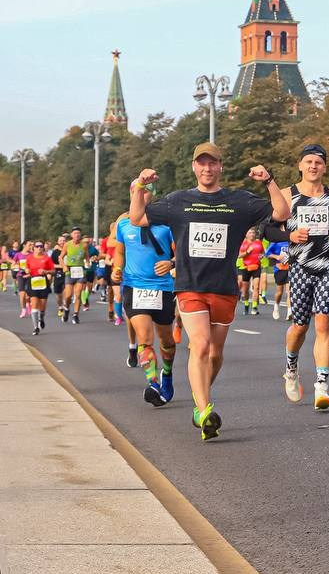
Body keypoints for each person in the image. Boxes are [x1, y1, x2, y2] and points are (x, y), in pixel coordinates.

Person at [128, 142, 290, 441]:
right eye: (201, 163)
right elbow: (137, 218)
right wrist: (139, 185)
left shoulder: (239, 201)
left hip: (224, 288)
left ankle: (200, 398)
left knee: (215, 354)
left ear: (220, 167)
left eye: (212, 163)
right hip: (190, 286)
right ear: (194, 167)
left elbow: (281, 212)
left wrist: (269, 181)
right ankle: (204, 411)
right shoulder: (178, 201)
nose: (207, 168)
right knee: (199, 345)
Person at [273, 144, 329, 410]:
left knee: (323, 323)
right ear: (300, 165)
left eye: (318, 162)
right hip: (300, 266)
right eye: (308, 161)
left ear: (325, 167)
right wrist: (289, 236)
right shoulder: (287, 195)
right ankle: (291, 367)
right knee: (300, 326)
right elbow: (267, 230)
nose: (313, 166)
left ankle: (322, 386)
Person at [112, 209, 179, 405]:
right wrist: (117, 269)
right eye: (135, 191)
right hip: (135, 288)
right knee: (145, 337)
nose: (139, 195)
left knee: (166, 340)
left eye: (144, 191)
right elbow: (119, 251)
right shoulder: (123, 224)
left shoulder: (167, 223)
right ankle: (153, 383)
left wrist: (171, 263)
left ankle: (166, 374)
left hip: (162, 288)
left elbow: (183, 250)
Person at [23, 241, 55, 335]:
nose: (39, 248)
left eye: (41, 246)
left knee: (43, 305)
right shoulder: (29, 258)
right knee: (34, 303)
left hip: (43, 282)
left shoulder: (47, 258)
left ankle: (42, 317)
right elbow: (26, 268)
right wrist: (27, 270)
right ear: (34, 248)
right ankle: (35, 327)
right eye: (37, 246)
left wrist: (45, 271)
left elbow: (53, 271)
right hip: (33, 282)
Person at [237, 228, 265, 315]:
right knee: (245, 290)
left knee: (256, 287)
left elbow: (263, 252)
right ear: (246, 234)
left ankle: (254, 307)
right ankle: (246, 305)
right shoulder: (243, 243)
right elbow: (240, 255)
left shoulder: (258, 242)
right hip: (246, 267)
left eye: (253, 232)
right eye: (250, 232)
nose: (252, 234)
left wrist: (262, 256)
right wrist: (247, 252)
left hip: (256, 267)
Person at [265, 238, 290, 320]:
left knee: (289, 291)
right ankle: (276, 306)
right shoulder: (276, 241)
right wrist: (277, 256)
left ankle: (289, 312)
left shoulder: (292, 240)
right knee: (279, 292)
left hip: (290, 268)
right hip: (279, 269)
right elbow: (267, 253)